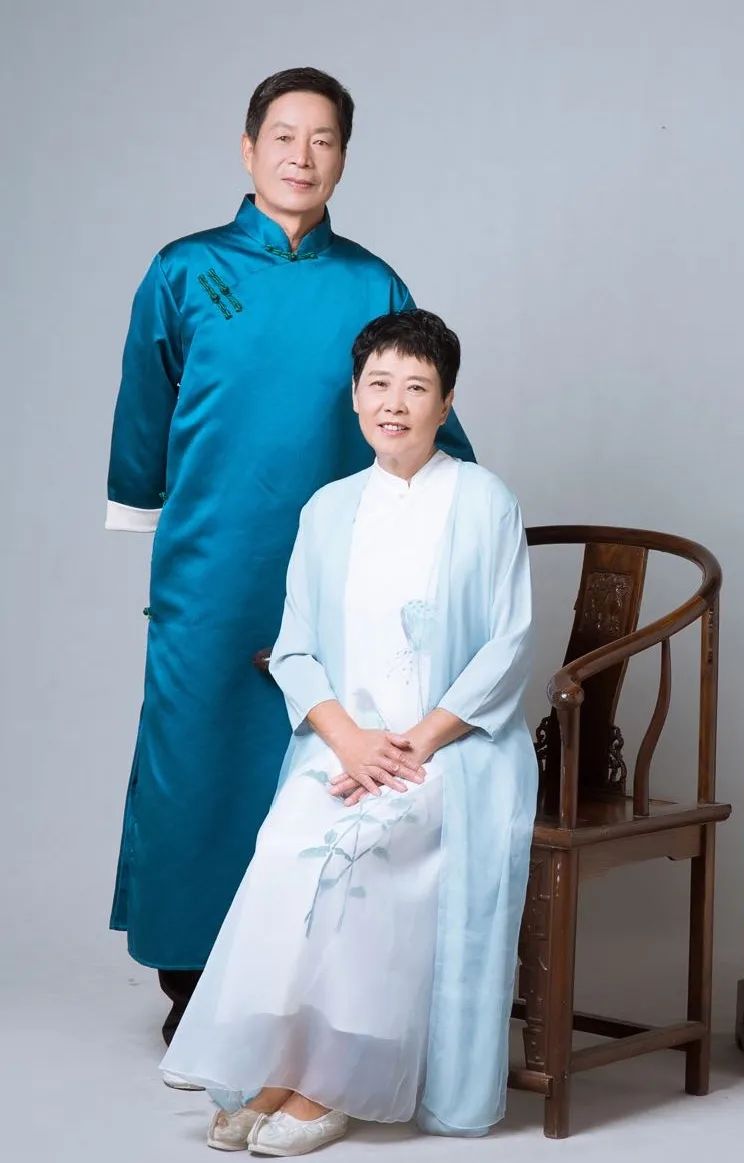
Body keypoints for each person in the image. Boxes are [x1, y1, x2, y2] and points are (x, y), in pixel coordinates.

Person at [105, 67, 475, 1062]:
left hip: (340, 566)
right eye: (283, 136)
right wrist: (148, 515)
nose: (301, 157)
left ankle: (306, 978)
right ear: (248, 147)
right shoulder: (185, 271)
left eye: (323, 140)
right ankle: (191, 975)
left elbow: (420, 412)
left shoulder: (372, 284)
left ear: (343, 157)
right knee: (197, 758)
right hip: (211, 562)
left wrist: (466, 516)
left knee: (320, 760)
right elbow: (145, 408)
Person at [161, 309, 535, 1155]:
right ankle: (281, 1067)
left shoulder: (484, 501)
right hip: (342, 748)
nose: (394, 403)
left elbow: (509, 644)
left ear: (446, 403)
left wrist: (414, 743)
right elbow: (294, 649)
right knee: (287, 844)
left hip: (453, 751)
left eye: (417, 387)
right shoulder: (327, 510)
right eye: (379, 384)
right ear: (355, 397)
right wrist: (350, 741)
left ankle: (328, 1080)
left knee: (367, 847)